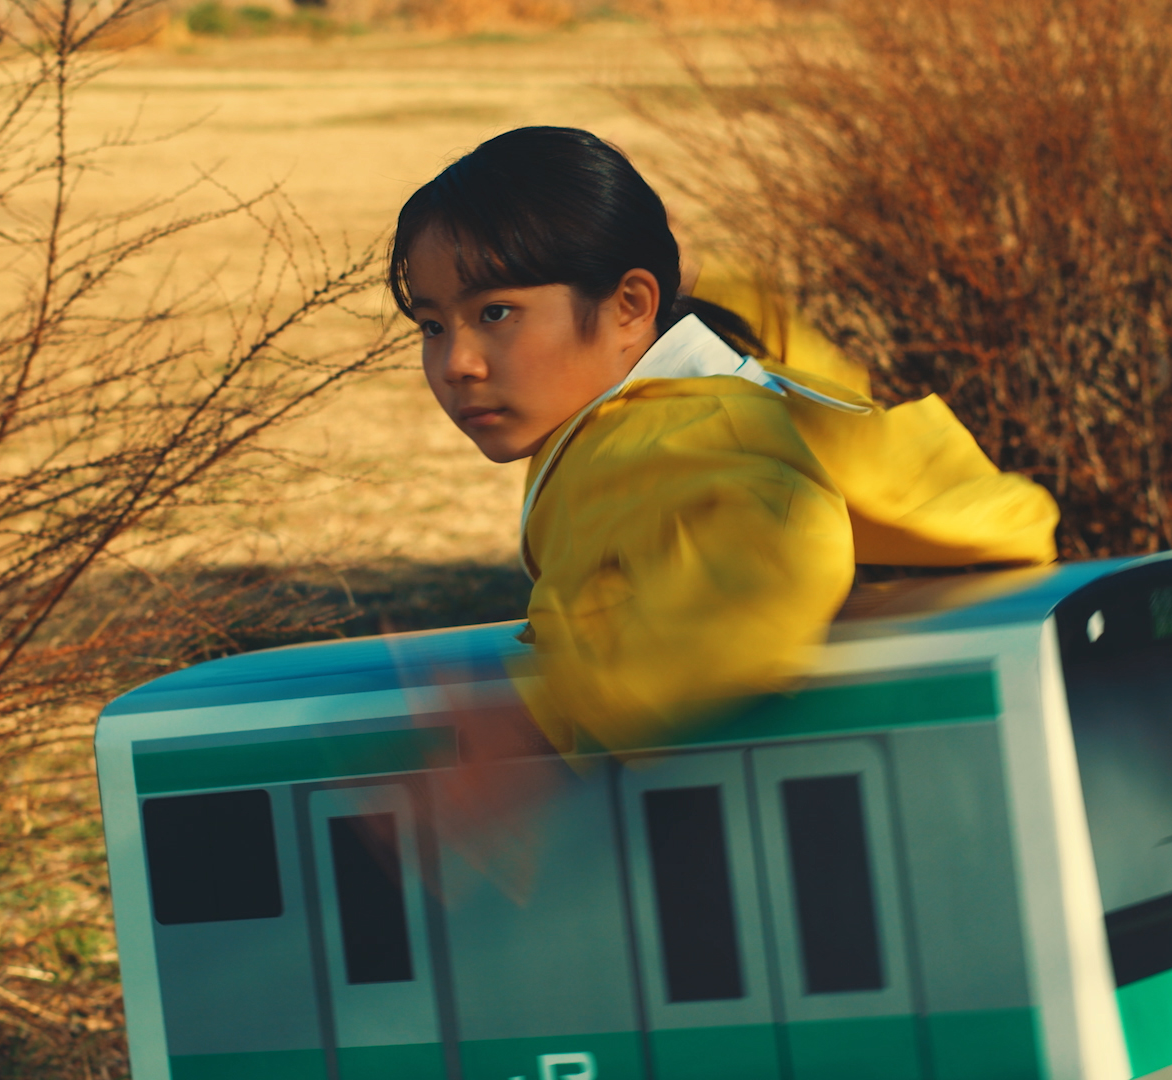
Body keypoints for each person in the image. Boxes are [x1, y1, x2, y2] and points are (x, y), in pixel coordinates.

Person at [392, 125, 1058, 760]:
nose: (456, 364)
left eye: (495, 313)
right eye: (432, 326)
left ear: (631, 307)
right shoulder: (711, 377)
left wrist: (551, 715)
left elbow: (775, 556)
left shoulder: (675, 439)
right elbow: (800, 370)